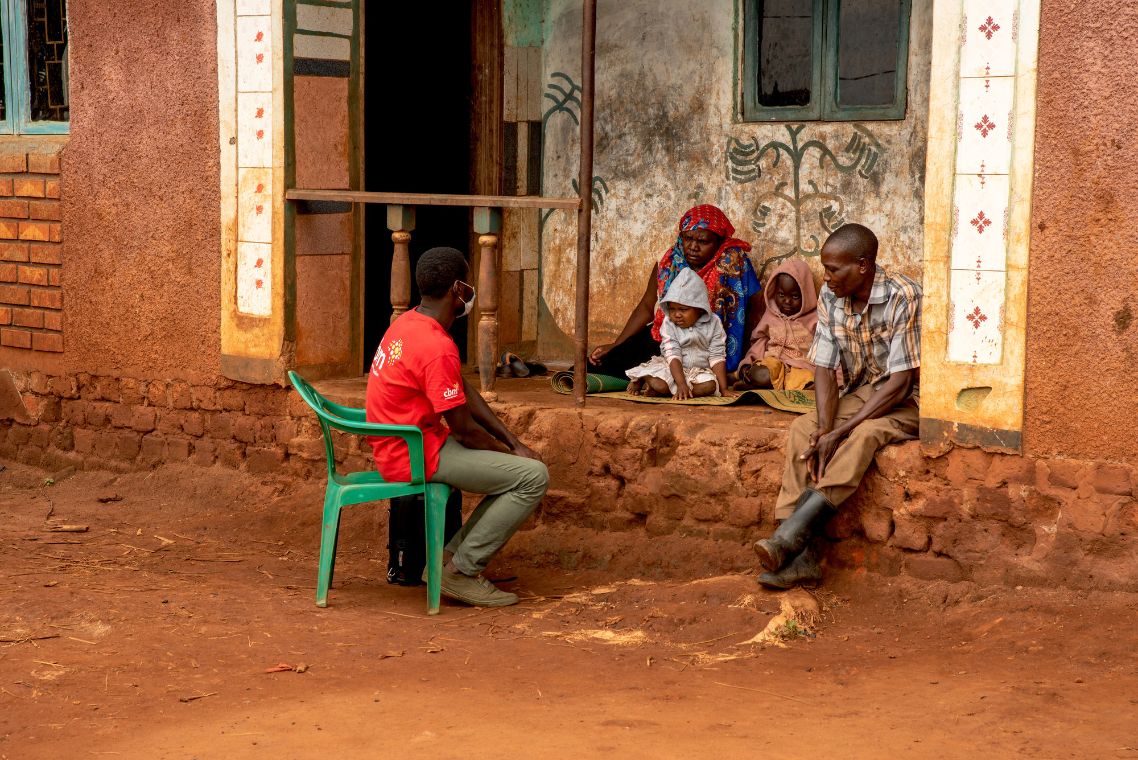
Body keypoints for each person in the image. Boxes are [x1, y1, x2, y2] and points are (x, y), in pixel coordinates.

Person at [366, 247, 549, 607]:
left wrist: (512, 443)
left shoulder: (407, 323)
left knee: (520, 472)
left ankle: (449, 560)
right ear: (457, 288)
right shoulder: (436, 345)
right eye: (467, 285)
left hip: (412, 442)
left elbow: (464, 393)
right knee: (533, 478)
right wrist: (515, 457)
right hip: (414, 454)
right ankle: (461, 572)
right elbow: (464, 430)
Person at [753, 224, 921, 589]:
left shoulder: (902, 295)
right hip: (865, 392)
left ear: (863, 265)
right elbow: (825, 369)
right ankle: (799, 553)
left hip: (911, 400)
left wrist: (841, 431)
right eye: (825, 268)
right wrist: (825, 429)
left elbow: (901, 383)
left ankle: (791, 536)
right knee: (803, 430)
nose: (826, 279)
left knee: (865, 434)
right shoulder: (831, 298)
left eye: (833, 270)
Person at [588, 205, 763, 377]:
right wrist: (618, 344)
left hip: (707, 343)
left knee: (644, 374)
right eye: (688, 238)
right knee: (597, 366)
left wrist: (751, 356)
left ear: (719, 242)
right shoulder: (670, 262)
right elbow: (647, 307)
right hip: (667, 335)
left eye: (703, 241)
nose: (693, 246)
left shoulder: (732, 263)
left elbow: (753, 312)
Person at [626, 267, 729, 400]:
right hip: (672, 367)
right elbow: (673, 355)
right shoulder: (669, 324)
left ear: (699, 308)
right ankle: (644, 378)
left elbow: (717, 355)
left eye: (683, 309)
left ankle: (664, 391)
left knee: (710, 386)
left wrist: (724, 389)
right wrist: (681, 384)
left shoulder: (714, 323)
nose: (676, 314)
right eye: (672, 309)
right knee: (661, 384)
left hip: (697, 373)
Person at [733, 258, 823, 391]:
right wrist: (748, 363)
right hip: (772, 363)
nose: (787, 301)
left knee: (809, 381)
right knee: (761, 374)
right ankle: (758, 381)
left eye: (795, 296)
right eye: (781, 294)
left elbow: (825, 349)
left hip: (801, 367)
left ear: (806, 295)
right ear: (774, 292)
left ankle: (760, 386)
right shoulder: (771, 316)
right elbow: (760, 342)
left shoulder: (814, 320)